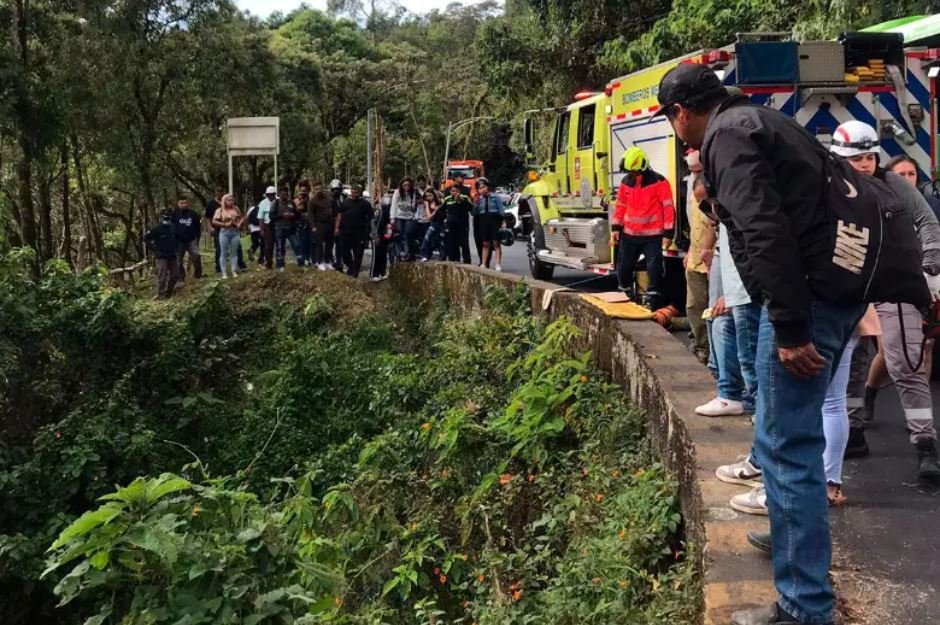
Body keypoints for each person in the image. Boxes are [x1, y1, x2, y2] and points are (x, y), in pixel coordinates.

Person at [655, 63, 866, 625]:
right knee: (786, 436)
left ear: (681, 113)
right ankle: (792, 544)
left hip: (805, 299)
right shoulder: (762, 120)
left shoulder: (726, 137)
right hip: (833, 289)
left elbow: (764, 230)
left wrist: (791, 328)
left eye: (672, 120)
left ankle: (803, 608)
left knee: (784, 444)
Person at [828, 121, 940, 479]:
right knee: (850, 364)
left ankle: (925, 446)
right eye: (855, 157)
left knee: (905, 362)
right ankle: (854, 430)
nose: (863, 163)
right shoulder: (826, 188)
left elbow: (927, 221)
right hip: (847, 285)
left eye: (869, 156)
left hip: (893, 284)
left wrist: (930, 264)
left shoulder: (893, 185)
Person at [610, 146, 675, 310]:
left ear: (642, 168)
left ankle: (654, 302)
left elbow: (668, 208)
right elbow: (620, 207)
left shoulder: (660, 183)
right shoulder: (626, 183)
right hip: (629, 236)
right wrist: (615, 229)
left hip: (652, 237)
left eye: (633, 172)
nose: (630, 175)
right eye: (629, 172)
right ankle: (625, 297)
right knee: (623, 269)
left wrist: (668, 234)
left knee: (654, 272)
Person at [684, 151, 711, 363]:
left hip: (712, 257)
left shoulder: (713, 187)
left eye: (696, 171)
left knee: (715, 310)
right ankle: (701, 345)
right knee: (694, 305)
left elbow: (713, 224)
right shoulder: (692, 188)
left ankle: (711, 351)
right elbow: (693, 222)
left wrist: (709, 250)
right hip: (694, 255)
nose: (694, 175)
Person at [887, 154, 940, 220]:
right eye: (901, 174)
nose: (907, 178)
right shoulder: (880, 204)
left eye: (911, 174)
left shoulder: (934, 205)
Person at [336, 185, 374, 277]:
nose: (354, 194)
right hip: (345, 231)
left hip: (359, 233)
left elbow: (371, 217)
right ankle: (351, 267)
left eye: (356, 192)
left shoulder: (365, 204)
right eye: (353, 192)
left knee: (358, 254)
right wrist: (337, 227)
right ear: (350, 192)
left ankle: (355, 272)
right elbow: (339, 215)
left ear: (359, 193)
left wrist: (368, 229)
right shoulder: (345, 202)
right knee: (344, 251)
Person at [144, 208, 180, 299]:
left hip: (172, 255)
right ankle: (161, 295)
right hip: (161, 256)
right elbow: (146, 239)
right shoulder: (157, 228)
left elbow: (177, 238)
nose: (167, 219)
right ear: (162, 217)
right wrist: (154, 249)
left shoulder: (173, 227)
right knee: (162, 276)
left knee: (175, 275)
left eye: (168, 217)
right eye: (165, 217)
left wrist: (176, 248)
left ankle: (169, 292)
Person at [474, 178, 505, 271]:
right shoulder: (479, 200)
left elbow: (501, 210)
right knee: (485, 243)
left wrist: (503, 221)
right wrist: (475, 204)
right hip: (484, 220)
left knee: (496, 242)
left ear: (487, 187)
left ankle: (497, 264)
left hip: (494, 220)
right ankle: (483, 263)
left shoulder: (495, 197)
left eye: (483, 187)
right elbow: (475, 213)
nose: (482, 189)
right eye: (480, 188)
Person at [270, 187, 304, 271]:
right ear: (279, 194)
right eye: (283, 193)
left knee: (297, 245)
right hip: (280, 229)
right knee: (280, 247)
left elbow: (298, 214)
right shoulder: (276, 203)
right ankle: (280, 265)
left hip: (291, 229)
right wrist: (282, 216)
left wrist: (292, 215)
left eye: (286, 193)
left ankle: (301, 264)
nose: (284, 195)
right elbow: (271, 216)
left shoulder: (291, 203)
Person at [212, 194, 243, 279]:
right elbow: (214, 221)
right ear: (224, 201)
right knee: (223, 252)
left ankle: (233, 270)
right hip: (224, 232)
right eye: (228, 200)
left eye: (232, 200)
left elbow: (241, 218)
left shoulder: (236, 209)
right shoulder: (220, 210)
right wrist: (224, 224)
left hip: (235, 232)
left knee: (234, 252)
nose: (231, 202)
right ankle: (224, 272)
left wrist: (239, 224)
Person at [171, 196, 203, 280]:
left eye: (185, 203)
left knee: (196, 256)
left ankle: (198, 275)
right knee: (178, 260)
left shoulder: (193, 213)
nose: (184, 205)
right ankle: (181, 276)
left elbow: (198, 226)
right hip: (179, 241)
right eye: (181, 203)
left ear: (188, 203)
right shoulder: (174, 214)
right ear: (178, 204)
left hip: (191, 239)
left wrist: (197, 236)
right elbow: (171, 226)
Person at [443, 184, 473, 264]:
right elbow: (442, 209)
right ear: (450, 192)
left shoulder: (464, 198)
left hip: (462, 224)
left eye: (456, 191)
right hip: (451, 224)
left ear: (459, 192)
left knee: (464, 243)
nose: (454, 193)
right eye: (453, 191)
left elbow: (470, 208)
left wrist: (460, 201)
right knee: (452, 243)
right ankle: (454, 260)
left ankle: (467, 261)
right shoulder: (447, 199)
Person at [308, 182, 335, 271]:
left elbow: (333, 209)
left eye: (320, 188)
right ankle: (319, 262)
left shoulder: (328, 198)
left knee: (329, 244)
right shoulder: (312, 201)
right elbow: (310, 215)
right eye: (316, 189)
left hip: (330, 224)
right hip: (319, 224)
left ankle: (328, 262)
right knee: (319, 244)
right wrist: (313, 226)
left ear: (323, 188)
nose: (318, 190)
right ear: (314, 190)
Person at [391, 178, 419, 261]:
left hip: (409, 217)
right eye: (405, 185)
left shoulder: (412, 192)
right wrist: (392, 218)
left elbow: (413, 206)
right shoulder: (397, 192)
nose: (406, 187)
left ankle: (407, 253)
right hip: (399, 216)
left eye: (408, 185)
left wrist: (414, 215)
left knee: (407, 235)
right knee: (398, 235)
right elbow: (394, 205)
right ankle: (398, 253)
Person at [371, 189, 393, 281]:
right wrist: (375, 236)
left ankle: (382, 272)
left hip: (384, 235)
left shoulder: (390, 211)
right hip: (377, 234)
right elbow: (373, 223)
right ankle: (374, 274)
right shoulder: (379, 210)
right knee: (377, 255)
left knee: (383, 254)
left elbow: (389, 224)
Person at [419, 188, 445, 261]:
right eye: (427, 196)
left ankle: (443, 255)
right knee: (427, 237)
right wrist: (435, 210)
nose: (428, 198)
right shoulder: (427, 204)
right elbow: (429, 217)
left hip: (442, 223)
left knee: (442, 239)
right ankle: (424, 255)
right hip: (433, 224)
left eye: (430, 195)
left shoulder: (441, 201)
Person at [257, 186, 276, 269]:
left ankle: (280, 263)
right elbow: (260, 217)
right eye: (269, 195)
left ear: (275, 194)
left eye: (272, 195)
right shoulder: (263, 203)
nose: (271, 196)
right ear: (267, 195)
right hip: (267, 225)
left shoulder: (278, 201)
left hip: (277, 225)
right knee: (268, 246)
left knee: (279, 245)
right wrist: (261, 230)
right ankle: (269, 263)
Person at [296, 181, 314, 268]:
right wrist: (300, 200)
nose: (303, 192)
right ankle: (304, 259)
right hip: (301, 223)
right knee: (302, 242)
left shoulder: (311, 199)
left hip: (310, 223)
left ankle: (309, 258)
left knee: (310, 241)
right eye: (301, 190)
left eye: (305, 191)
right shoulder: (297, 199)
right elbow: (297, 209)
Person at [328, 179, 343, 268]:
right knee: (330, 244)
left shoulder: (341, 199)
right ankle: (331, 260)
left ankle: (338, 261)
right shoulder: (330, 200)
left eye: (338, 189)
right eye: (334, 190)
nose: (336, 191)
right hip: (331, 224)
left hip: (340, 224)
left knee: (339, 244)